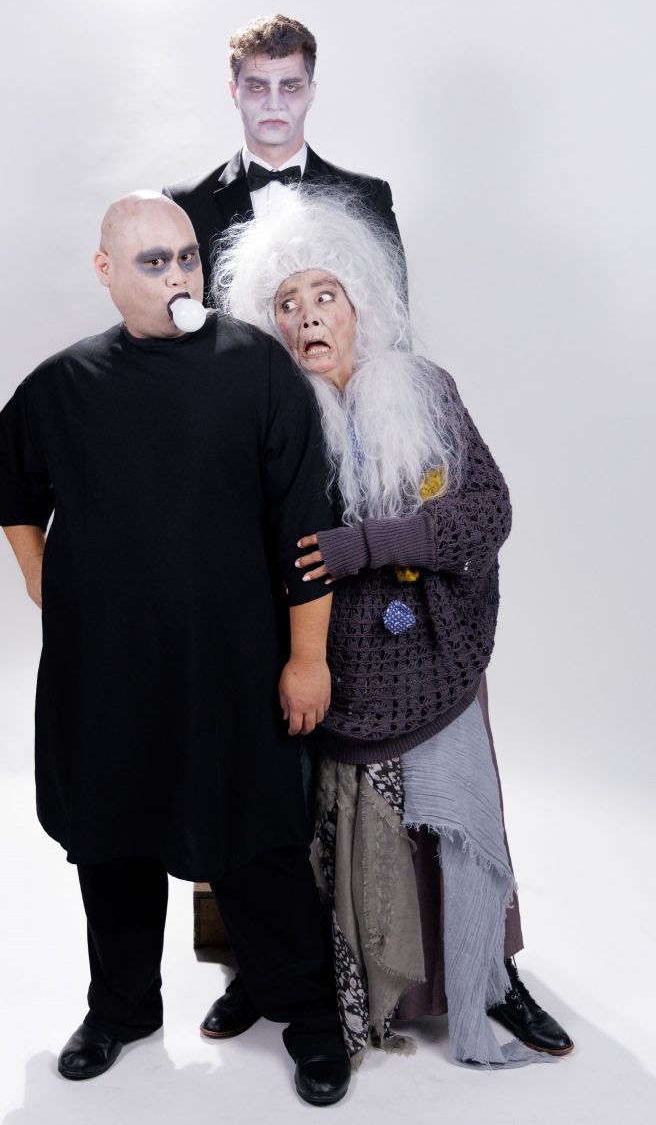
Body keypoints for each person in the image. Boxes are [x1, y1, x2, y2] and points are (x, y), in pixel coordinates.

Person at [0, 190, 353, 1106]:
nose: (180, 276)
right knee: (111, 843)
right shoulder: (64, 383)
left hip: (231, 671)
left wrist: (308, 659)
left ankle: (309, 1019)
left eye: (187, 257)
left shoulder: (255, 368)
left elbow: (307, 533)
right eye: (154, 262)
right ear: (106, 271)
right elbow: (7, 476)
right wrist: (38, 571)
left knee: (257, 844)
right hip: (102, 675)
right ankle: (121, 1008)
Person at [209, 188, 574, 1067]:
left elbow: (485, 511)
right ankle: (264, 969)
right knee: (283, 826)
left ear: (359, 303)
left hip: (440, 652)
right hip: (319, 671)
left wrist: (368, 544)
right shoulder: (268, 421)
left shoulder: (425, 389)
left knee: (461, 816)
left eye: (324, 295)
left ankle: (492, 976)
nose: (308, 316)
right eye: (286, 303)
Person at [163, 13, 405, 301]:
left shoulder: (369, 197)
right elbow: (170, 316)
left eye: (290, 86)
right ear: (234, 92)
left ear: (311, 93)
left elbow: (392, 316)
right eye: (257, 87)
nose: (274, 103)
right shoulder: (183, 204)